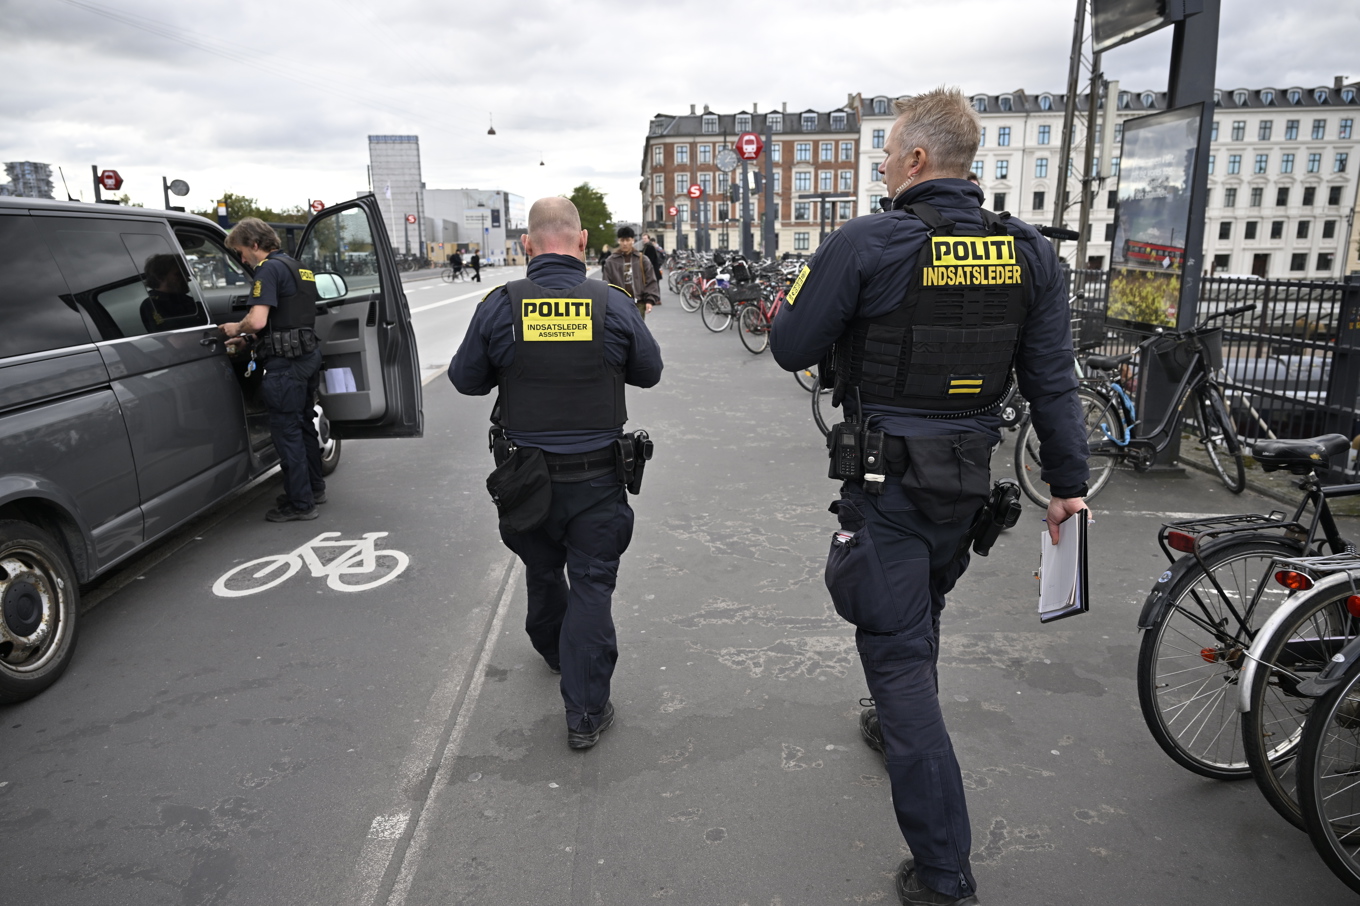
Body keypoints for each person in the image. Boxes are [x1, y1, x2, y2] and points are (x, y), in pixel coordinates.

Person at [769, 87, 1089, 906]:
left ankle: (944, 871)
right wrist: (1069, 487)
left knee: (899, 652)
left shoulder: (869, 241)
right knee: (921, 609)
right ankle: (887, 717)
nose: (881, 167)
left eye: (886, 155)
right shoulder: (1030, 254)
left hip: (889, 484)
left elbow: (790, 345)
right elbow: (1053, 382)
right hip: (968, 484)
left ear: (915, 160)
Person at [448, 197, 663, 750]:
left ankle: (550, 646)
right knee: (592, 585)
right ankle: (586, 712)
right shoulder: (611, 303)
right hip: (596, 480)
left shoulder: (502, 304)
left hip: (527, 480)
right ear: (584, 242)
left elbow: (466, 380)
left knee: (543, 567)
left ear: (526, 244)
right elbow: (649, 371)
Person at [222, 218, 327, 522]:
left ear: (254, 244)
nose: (242, 259)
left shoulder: (267, 270)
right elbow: (289, 317)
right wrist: (252, 341)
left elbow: (256, 320)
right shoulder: (298, 267)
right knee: (304, 424)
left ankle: (300, 504)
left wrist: (235, 328)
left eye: (241, 252)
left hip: (285, 365)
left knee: (287, 432)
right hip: (307, 356)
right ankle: (314, 488)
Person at [601, 226, 660, 319]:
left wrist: (649, 300)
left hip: (638, 303)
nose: (625, 243)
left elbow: (651, 280)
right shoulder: (611, 261)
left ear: (633, 240)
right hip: (618, 304)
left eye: (627, 240)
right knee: (620, 332)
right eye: (622, 240)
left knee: (637, 332)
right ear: (618, 241)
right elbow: (607, 283)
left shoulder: (642, 259)